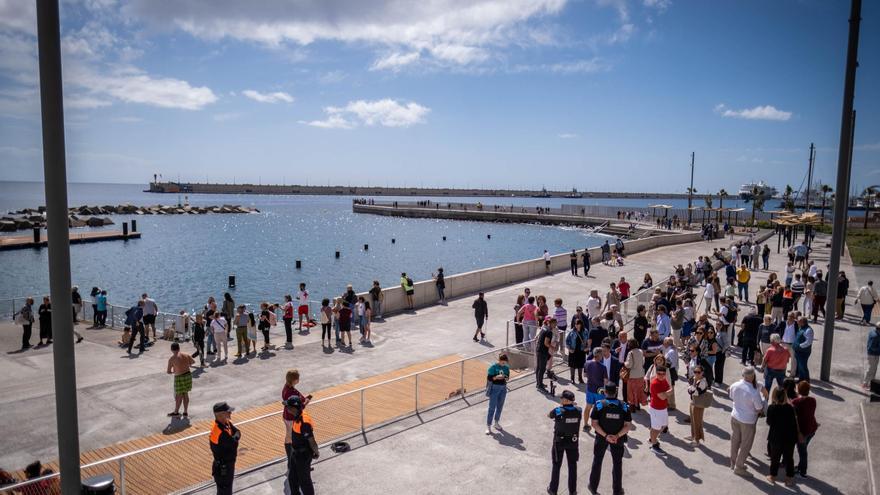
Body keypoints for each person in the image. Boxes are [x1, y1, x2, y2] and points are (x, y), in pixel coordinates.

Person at [588, 383, 631, 495]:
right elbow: (627, 426)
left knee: (597, 461)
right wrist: (616, 436)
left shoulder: (599, 405)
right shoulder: (624, 406)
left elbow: (594, 423)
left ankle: (593, 487)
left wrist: (606, 436)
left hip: (602, 438)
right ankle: (617, 491)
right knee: (617, 464)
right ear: (616, 392)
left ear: (605, 392)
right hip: (618, 439)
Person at [729, 366, 767, 476]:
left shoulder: (734, 385)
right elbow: (759, 408)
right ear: (753, 376)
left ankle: (733, 462)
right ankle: (739, 466)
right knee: (746, 445)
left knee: (735, 440)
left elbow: (732, 397)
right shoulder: (754, 392)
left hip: (735, 416)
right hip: (748, 421)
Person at [547, 390, 582, 495]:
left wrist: (562, 407)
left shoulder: (558, 410)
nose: (560, 400)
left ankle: (553, 490)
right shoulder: (579, 410)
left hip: (559, 442)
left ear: (566, 400)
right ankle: (573, 491)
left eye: (562, 398)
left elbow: (549, 415)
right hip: (573, 442)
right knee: (572, 466)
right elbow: (575, 408)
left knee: (556, 465)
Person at [766, 387, 798, 486]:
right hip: (789, 437)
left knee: (775, 458)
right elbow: (793, 422)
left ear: (774, 396)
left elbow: (769, 422)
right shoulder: (790, 408)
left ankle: (773, 476)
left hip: (776, 436)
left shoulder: (772, 407)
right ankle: (789, 478)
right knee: (789, 458)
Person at [282, 369, 312, 468]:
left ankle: (291, 461)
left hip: (288, 417)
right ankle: (292, 462)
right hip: (291, 419)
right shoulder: (291, 392)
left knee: (289, 437)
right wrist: (307, 400)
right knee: (291, 439)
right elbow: (300, 407)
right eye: (297, 378)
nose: (299, 380)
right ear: (294, 380)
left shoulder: (287, 388)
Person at [210, 402, 240, 495]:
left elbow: (238, 432)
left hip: (228, 466)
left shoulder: (225, 423)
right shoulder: (219, 432)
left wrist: (234, 438)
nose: (230, 413)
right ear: (221, 415)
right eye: (228, 412)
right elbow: (234, 444)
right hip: (223, 469)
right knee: (225, 492)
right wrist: (235, 438)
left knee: (227, 491)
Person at [792, 381, 819, 477]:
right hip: (812, 429)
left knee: (802, 452)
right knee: (804, 448)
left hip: (803, 432)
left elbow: (794, 418)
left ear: (798, 390)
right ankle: (800, 466)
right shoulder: (813, 400)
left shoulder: (795, 402)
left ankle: (803, 472)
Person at [647, 365, 671, 455]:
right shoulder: (654, 383)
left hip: (663, 408)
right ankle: (654, 445)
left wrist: (666, 393)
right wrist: (666, 393)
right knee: (655, 428)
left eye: (663, 374)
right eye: (659, 373)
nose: (661, 375)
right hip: (656, 409)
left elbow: (670, 390)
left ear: (665, 374)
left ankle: (652, 438)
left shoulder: (664, 380)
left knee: (664, 425)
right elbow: (662, 396)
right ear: (656, 373)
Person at [167, 342, 194, 417]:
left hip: (179, 377)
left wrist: (174, 371)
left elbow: (168, 371)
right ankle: (185, 412)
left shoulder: (172, 359)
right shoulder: (186, 355)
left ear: (171, 350)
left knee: (179, 395)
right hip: (188, 375)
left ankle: (176, 412)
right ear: (179, 348)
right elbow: (192, 362)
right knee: (185, 393)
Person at [686, 364, 711, 446]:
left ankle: (697, 440)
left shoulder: (703, 382)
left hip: (699, 404)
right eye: (695, 372)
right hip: (693, 402)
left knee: (697, 422)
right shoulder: (695, 379)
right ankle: (693, 436)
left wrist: (692, 386)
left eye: (698, 372)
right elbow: (690, 390)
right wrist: (692, 385)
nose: (696, 374)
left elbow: (695, 393)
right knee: (693, 421)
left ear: (702, 373)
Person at [485, 354, 510, 434]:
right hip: (495, 388)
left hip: (503, 388)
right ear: (499, 360)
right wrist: (496, 377)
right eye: (502, 362)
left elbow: (507, 378)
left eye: (505, 363)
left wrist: (504, 377)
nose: (503, 364)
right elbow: (489, 378)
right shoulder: (493, 367)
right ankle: (488, 426)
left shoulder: (506, 368)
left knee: (500, 406)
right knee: (492, 407)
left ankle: (496, 423)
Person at [584, 348, 608, 428]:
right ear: (599, 355)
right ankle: (597, 425)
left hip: (589, 389)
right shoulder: (603, 367)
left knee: (588, 407)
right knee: (599, 409)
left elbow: (585, 375)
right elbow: (605, 381)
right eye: (602, 354)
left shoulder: (587, 363)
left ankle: (585, 424)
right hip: (599, 391)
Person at [623, 339, 646, 410]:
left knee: (631, 391)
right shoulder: (641, 351)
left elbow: (629, 365)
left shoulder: (631, 353)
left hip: (632, 375)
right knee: (639, 390)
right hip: (640, 374)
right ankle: (638, 405)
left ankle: (632, 406)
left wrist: (624, 363)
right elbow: (643, 362)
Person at [566, 319, 588, 383]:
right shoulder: (571, 331)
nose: (576, 325)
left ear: (581, 324)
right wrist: (569, 349)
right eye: (575, 324)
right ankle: (572, 378)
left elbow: (588, 340)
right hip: (573, 350)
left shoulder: (585, 331)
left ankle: (580, 378)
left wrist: (587, 347)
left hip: (581, 350)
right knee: (572, 365)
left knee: (580, 365)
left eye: (578, 324)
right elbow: (567, 341)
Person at [536, 319, 554, 392]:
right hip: (543, 352)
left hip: (539, 350)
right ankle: (540, 385)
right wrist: (552, 347)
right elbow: (546, 343)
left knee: (538, 368)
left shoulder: (544, 328)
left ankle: (539, 383)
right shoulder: (549, 331)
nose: (555, 325)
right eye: (555, 324)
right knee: (542, 369)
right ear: (551, 323)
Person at [794, 316, 814, 381]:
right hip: (798, 351)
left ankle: (806, 380)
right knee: (800, 366)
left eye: (798, 321)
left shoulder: (808, 330)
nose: (797, 322)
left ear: (802, 322)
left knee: (803, 366)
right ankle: (801, 379)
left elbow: (809, 342)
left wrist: (799, 346)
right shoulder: (801, 328)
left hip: (803, 352)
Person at [865, 322, 880, 390]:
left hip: (874, 354)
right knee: (871, 370)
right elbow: (871, 347)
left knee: (873, 370)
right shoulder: (875, 336)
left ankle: (870, 384)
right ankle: (865, 384)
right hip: (873, 355)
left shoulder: (873, 332)